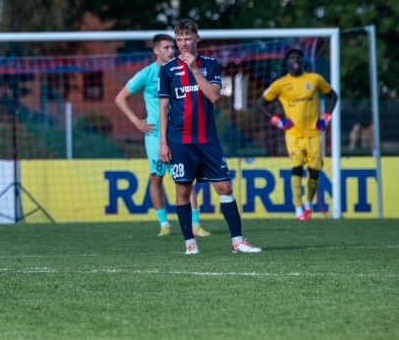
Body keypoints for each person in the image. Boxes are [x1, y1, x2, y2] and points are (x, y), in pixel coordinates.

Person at [158, 19, 261, 255]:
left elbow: (214, 96)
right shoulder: (167, 70)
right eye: (179, 39)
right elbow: (163, 108)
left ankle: (237, 241)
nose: (183, 44)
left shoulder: (211, 65)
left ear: (197, 39)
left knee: (224, 187)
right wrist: (162, 142)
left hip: (207, 139)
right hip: (179, 139)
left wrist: (194, 70)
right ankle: (190, 244)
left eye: (187, 38)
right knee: (183, 190)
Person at [115, 34, 211, 238]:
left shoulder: (181, 69)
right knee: (156, 178)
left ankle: (195, 224)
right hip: (155, 135)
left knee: (185, 179)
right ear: (156, 50)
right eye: (166, 47)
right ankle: (164, 223)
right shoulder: (147, 73)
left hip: (179, 133)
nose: (171, 50)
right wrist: (136, 122)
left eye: (172, 47)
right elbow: (120, 97)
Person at [256, 49, 339, 221]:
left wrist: (326, 118)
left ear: (302, 61)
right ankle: (298, 207)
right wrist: (278, 121)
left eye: (298, 57)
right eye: (292, 58)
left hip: (314, 135)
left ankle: (309, 203)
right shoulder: (280, 84)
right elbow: (261, 103)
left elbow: (333, 96)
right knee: (297, 168)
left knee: (315, 172)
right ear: (287, 62)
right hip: (293, 135)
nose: (296, 60)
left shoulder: (314, 79)